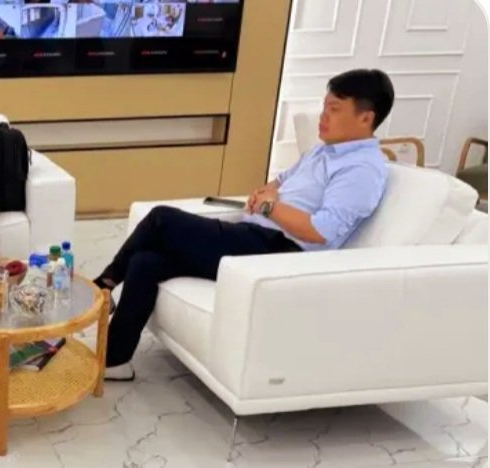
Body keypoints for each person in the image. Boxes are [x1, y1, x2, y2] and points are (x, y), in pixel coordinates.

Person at [96, 68, 395, 381]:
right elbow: (279, 182)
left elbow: (321, 231)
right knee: (146, 262)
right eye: (324, 107)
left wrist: (269, 207)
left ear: (366, 118)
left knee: (162, 219)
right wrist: (268, 196)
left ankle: (103, 285)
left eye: (334, 109)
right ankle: (114, 361)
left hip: (280, 252)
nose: (323, 116)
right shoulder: (324, 151)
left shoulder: (361, 170)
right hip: (253, 235)